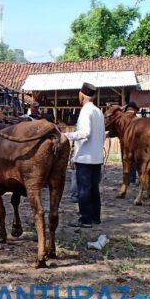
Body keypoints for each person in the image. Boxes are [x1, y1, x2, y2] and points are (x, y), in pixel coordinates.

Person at [65, 83, 105, 228]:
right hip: (96, 158)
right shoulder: (98, 111)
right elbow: (102, 135)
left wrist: (66, 135)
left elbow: (85, 133)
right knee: (94, 189)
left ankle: (85, 219)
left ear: (81, 95)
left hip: (85, 158)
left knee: (83, 189)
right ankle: (95, 217)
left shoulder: (85, 111)